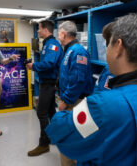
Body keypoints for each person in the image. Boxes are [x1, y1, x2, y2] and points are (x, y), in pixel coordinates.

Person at [46, 10, 137, 165]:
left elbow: (60, 133)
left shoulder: (104, 105)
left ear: (119, 47)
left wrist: (64, 113)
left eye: (108, 43)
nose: (106, 49)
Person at [57, 21, 93, 166]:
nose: (58, 37)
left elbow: (79, 80)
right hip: (72, 100)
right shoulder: (70, 50)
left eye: (59, 33)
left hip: (76, 102)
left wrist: (65, 100)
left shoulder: (78, 51)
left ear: (63, 34)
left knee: (68, 140)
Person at [25, 20, 64, 156]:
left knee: (41, 112)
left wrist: (33, 67)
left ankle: (44, 144)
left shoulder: (52, 45)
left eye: (39, 29)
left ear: (46, 29)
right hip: (46, 82)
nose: (38, 31)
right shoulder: (47, 43)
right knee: (50, 112)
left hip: (49, 83)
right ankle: (54, 136)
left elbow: (50, 63)